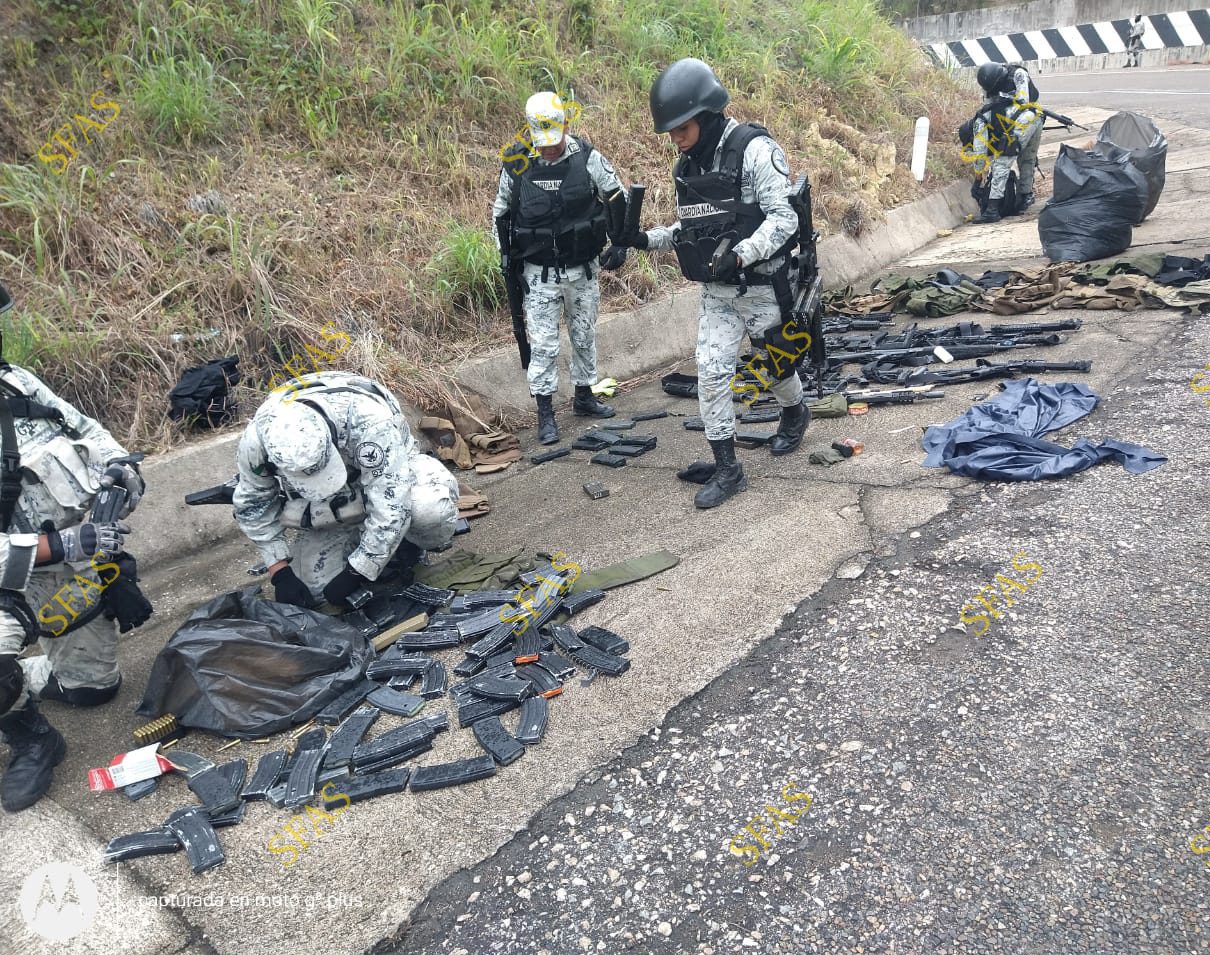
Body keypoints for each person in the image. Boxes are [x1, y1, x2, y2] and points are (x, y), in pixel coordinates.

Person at [616, 58, 812, 509]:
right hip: (717, 294)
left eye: (681, 128)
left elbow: (784, 219)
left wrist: (743, 253)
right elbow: (689, 230)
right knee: (712, 373)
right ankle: (728, 467)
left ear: (705, 115)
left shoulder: (755, 150)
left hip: (763, 284)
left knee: (776, 365)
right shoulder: (686, 167)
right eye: (671, 131)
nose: (675, 139)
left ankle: (795, 411)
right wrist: (642, 240)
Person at [0, 281, 142, 810]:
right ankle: (32, 738)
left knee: (92, 692)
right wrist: (57, 545)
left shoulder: (15, 383)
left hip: (75, 564)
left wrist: (119, 472)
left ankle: (34, 673)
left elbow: (88, 431)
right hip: (9, 582)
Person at [233, 371, 460, 610]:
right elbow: (252, 506)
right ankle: (363, 537)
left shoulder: (368, 422)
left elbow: (392, 503)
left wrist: (358, 570)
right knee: (314, 590)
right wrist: (280, 573)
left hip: (392, 476)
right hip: (333, 503)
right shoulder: (258, 440)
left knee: (426, 510)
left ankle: (409, 545)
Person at [492, 91, 628, 445]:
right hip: (539, 277)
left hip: (582, 270)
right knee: (545, 346)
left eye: (555, 141)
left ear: (566, 125)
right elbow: (501, 215)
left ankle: (584, 397)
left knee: (584, 336)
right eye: (543, 143)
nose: (550, 149)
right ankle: (546, 414)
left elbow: (616, 196)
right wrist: (508, 261)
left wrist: (622, 242)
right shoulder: (517, 164)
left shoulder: (587, 157)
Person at [969, 62, 1045, 223]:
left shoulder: (1017, 74)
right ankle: (1025, 195)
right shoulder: (986, 113)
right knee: (1026, 159)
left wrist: (977, 180)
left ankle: (992, 210)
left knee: (1003, 159)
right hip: (1034, 117)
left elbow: (980, 154)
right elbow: (981, 153)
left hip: (1028, 117)